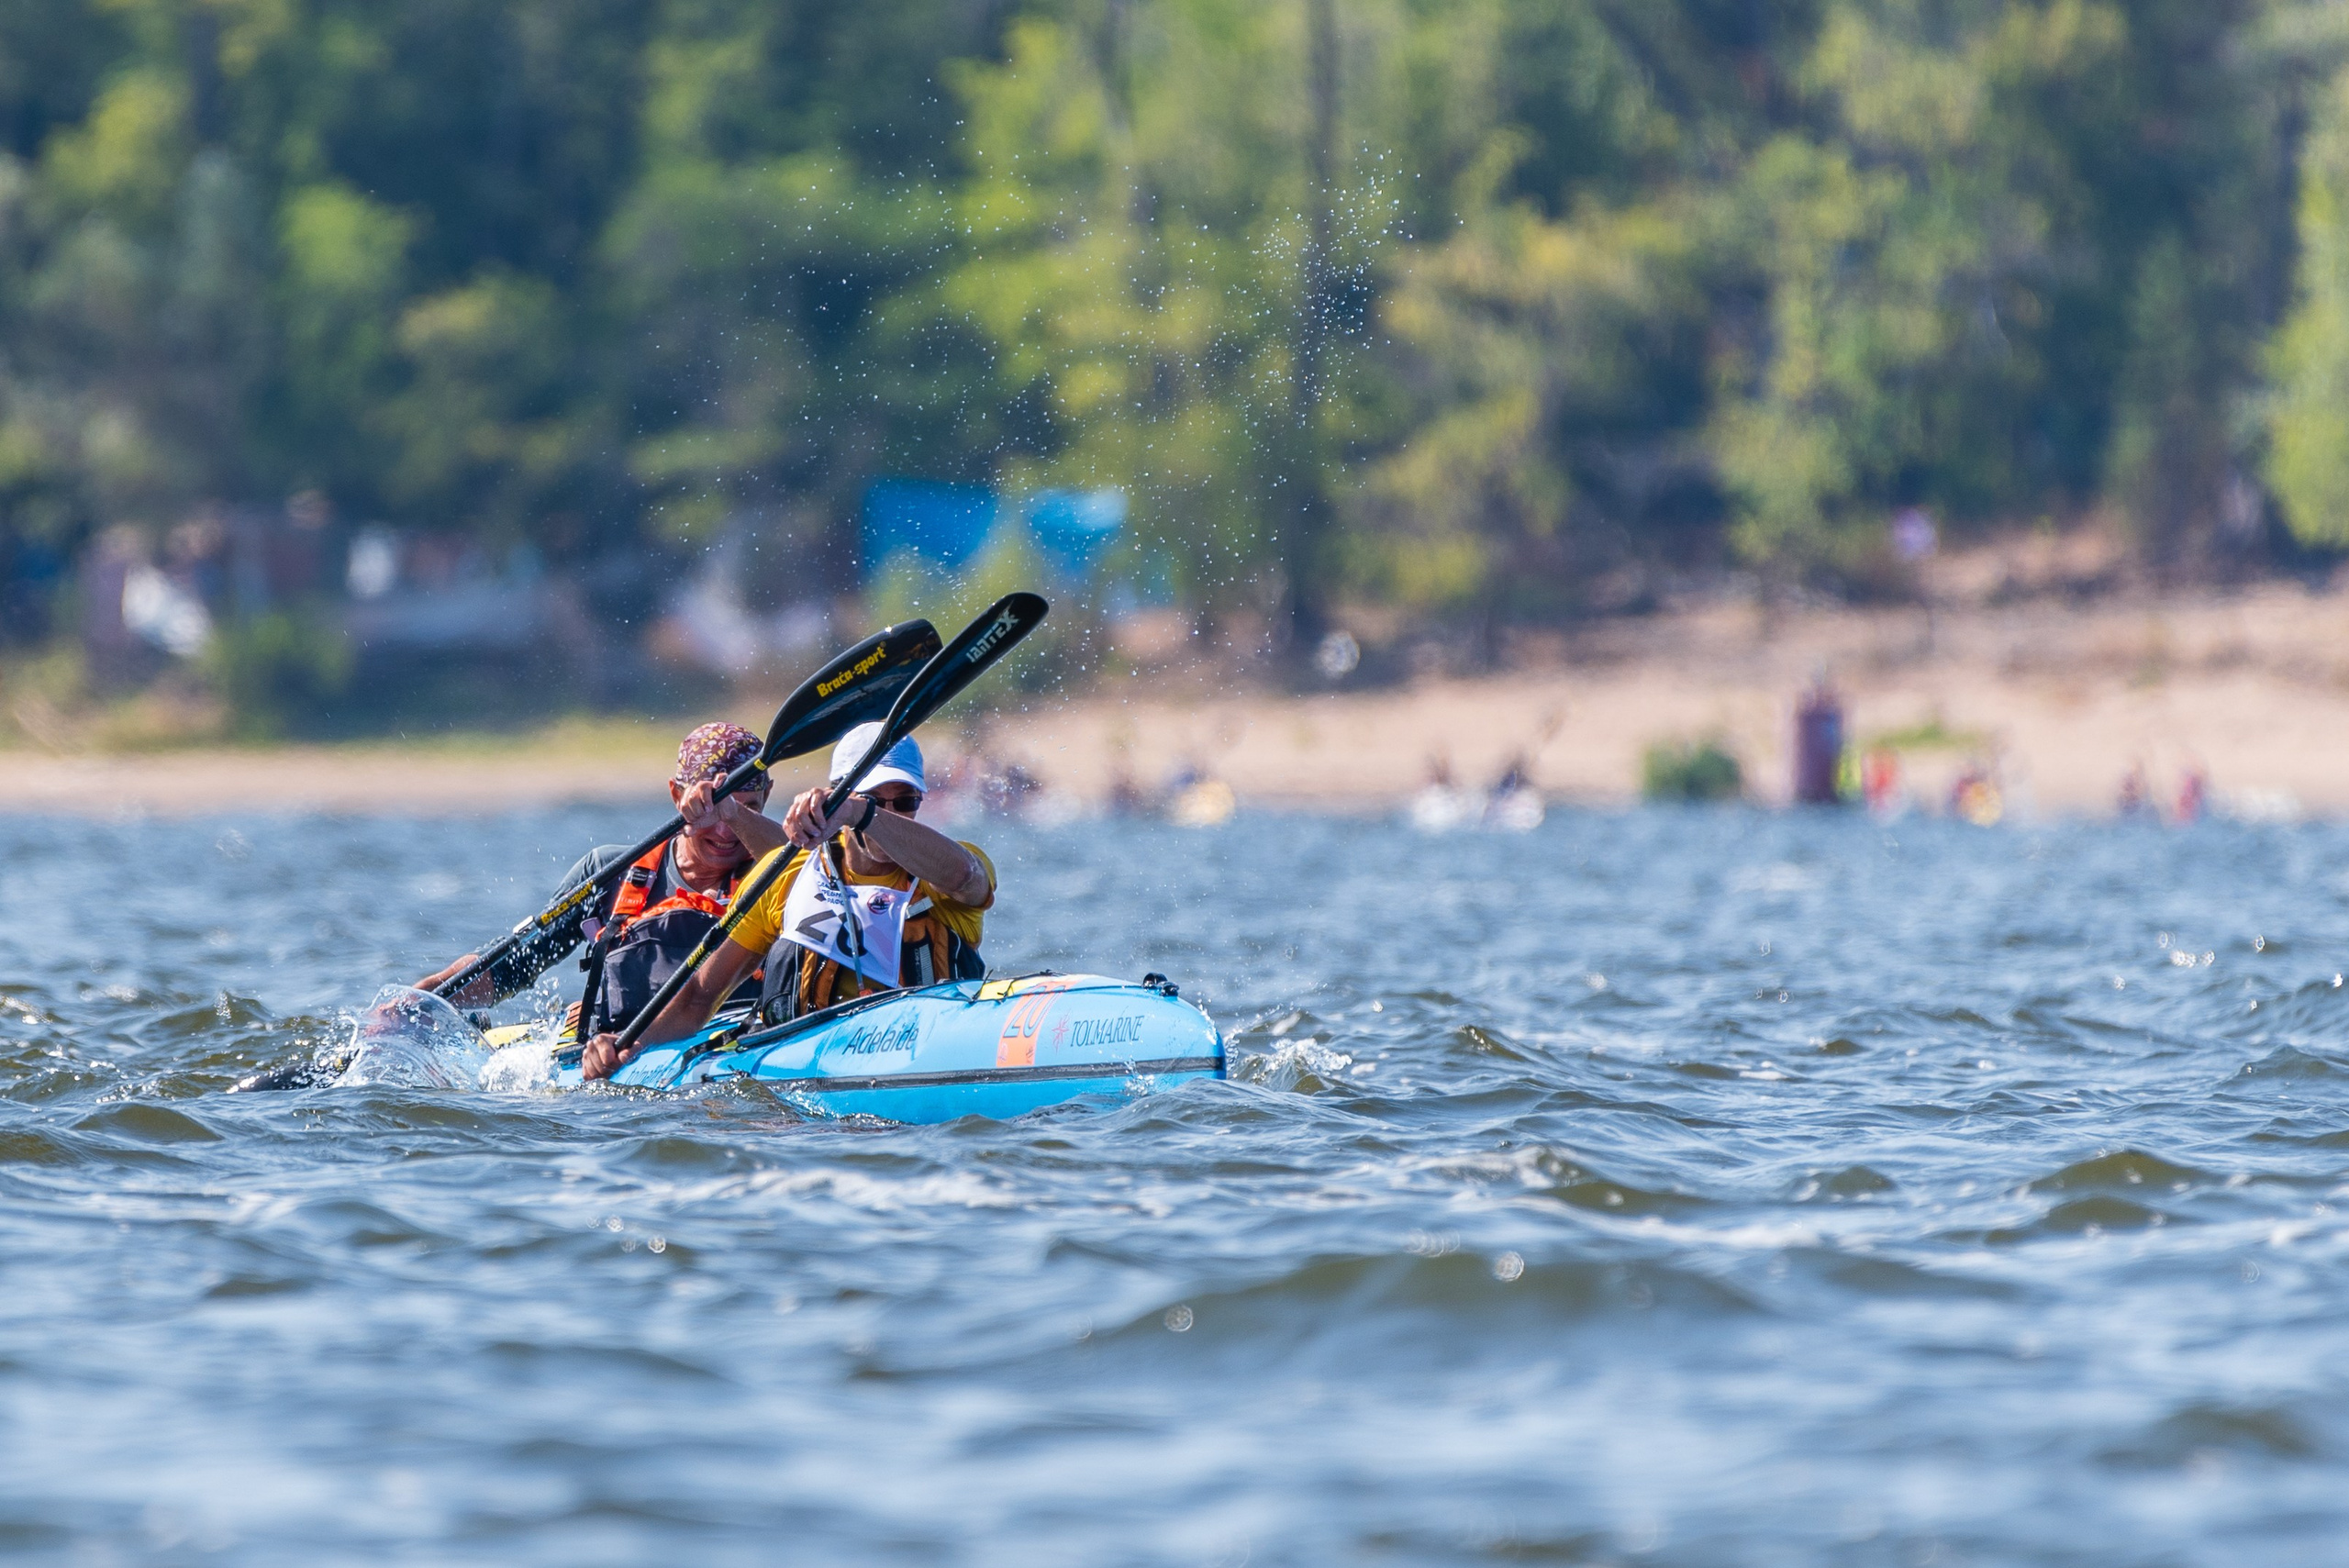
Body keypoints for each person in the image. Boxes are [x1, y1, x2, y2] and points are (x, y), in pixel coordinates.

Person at [581, 723, 994, 1081]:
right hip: (810, 1076)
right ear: (836, 797)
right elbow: (699, 999)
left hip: (932, 1048)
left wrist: (863, 813)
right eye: (871, 799)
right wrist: (624, 1044)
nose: (889, 813)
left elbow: (966, 879)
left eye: (904, 802)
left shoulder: (949, 867)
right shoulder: (786, 878)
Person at [413, 722, 787, 1035]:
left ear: (767, 796)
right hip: (620, 1059)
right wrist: (427, 997)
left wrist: (735, 813)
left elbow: (803, 862)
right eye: (709, 811)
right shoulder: (609, 871)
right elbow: (515, 963)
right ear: (677, 795)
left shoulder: (781, 868)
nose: (725, 832)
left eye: (747, 808)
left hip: (744, 1043)